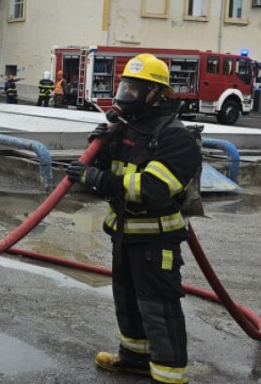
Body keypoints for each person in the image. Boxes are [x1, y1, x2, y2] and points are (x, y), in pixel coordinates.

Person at [66, 53, 199, 384]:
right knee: (126, 299)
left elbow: (152, 188)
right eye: (124, 87)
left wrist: (96, 178)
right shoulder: (127, 128)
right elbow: (113, 170)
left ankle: (170, 375)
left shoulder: (174, 137)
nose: (125, 96)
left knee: (157, 306)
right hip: (124, 233)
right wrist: (100, 148)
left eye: (134, 89)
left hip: (155, 237)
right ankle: (135, 358)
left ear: (156, 93)